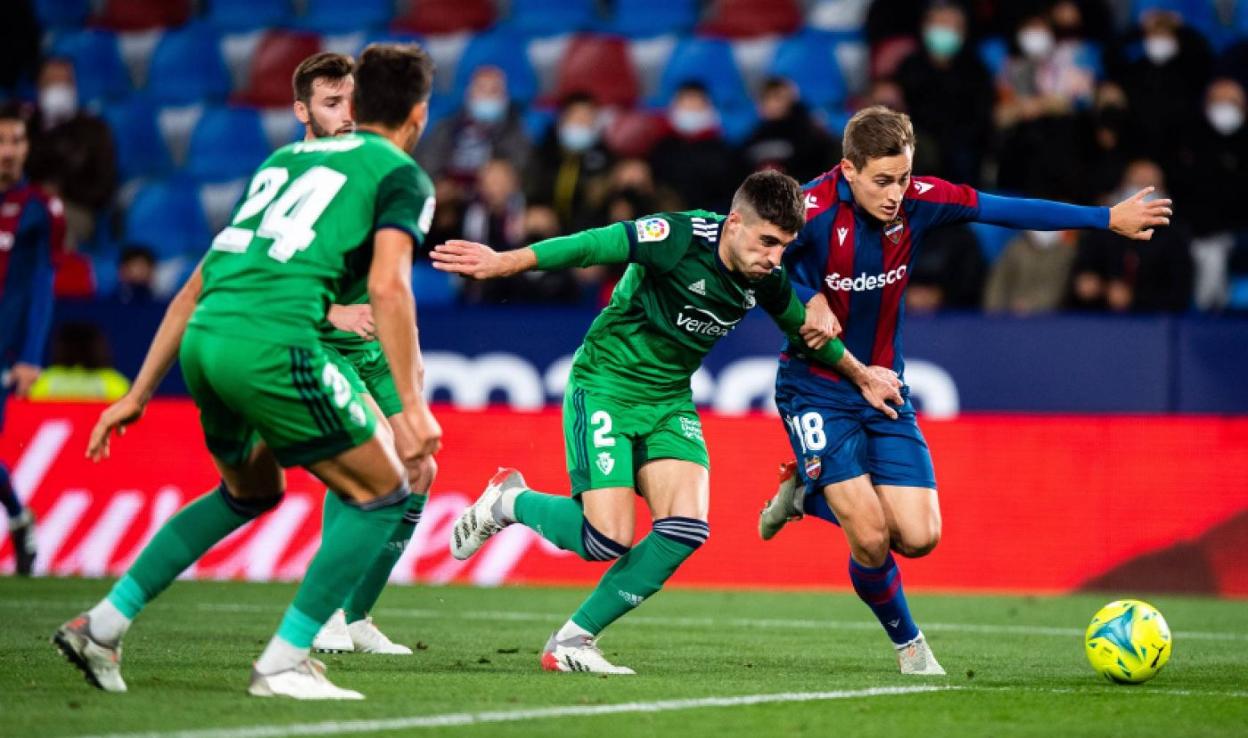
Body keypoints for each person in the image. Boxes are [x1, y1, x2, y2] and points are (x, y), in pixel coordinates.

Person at [53, 43, 442, 701]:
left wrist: (139, 393)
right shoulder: (399, 174)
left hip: (207, 344)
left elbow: (192, 291)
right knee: (391, 487)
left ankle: (104, 625)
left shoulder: (283, 160)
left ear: (358, 103)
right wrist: (411, 408)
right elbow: (390, 290)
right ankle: (285, 660)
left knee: (249, 490)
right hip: (274, 346)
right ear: (420, 113)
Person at [431, 170, 903, 674]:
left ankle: (572, 641)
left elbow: (808, 331)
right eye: (767, 241)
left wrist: (862, 376)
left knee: (685, 527)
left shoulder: (764, 276)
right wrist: (509, 262)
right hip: (608, 382)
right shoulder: (677, 236)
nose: (774, 257)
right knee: (605, 540)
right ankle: (508, 501)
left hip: (669, 399)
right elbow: (594, 245)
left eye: (784, 246)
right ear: (735, 222)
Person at [756, 106, 1171, 675]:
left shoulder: (921, 200)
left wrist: (1103, 218)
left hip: (884, 387)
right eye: (882, 180)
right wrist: (804, 290)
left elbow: (1003, 208)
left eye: (903, 177)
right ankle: (911, 647)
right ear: (847, 169)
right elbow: (751, 261)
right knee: (871, 536)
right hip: (815, 389)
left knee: (920, 537)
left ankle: (805, 494)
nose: (896, 193)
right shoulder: (807, 209)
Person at [0, 101, 63, 577]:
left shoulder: (40, 209)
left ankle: (20, 520)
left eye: (17, 141)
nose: (8, 151)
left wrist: (31, 356)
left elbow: (43, 285)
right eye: (2, 141)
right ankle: (20, 518)